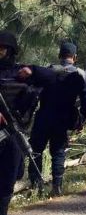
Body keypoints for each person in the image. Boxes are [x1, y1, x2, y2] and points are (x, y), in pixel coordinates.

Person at [0, 31, 54, 214]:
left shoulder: (21, 72)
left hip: (14, 133)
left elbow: (53, 77)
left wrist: (33, 70)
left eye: (2, 49)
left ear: (11, 50)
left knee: (10, 178)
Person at [28, 42, 86, 196]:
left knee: (36, 150)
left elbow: (33, 93)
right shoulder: (81, 74)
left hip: (44, 115)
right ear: (74, 57)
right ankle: (57, 186)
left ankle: (36, 186)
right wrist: (80, 120)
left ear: (59, 55)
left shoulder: (47, 71)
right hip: (63, 117)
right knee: (58, 151)